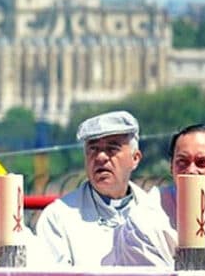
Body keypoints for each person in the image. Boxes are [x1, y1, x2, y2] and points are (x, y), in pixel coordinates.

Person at [113, 124, 205, 270]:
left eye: (202, 163)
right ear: (172, 167)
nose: (191, 170)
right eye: (182, 162)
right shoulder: (145, 221)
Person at [36, 110, 161, 267]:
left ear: (135, 159)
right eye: (93, 149)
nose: (101, 157)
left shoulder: (155, 212)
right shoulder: (58, 217)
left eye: (112, 148)